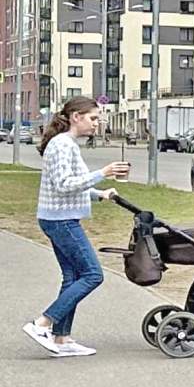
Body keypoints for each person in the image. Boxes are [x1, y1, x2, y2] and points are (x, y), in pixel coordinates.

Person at [24, 98, 127, 358]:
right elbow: (64, 185)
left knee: (72, 277)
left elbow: (70, 184)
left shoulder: (66, 143)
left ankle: (61, 338)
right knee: (93, 274)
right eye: (93, 118)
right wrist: (102, 172)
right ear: (76, 117)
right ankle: (42, 324)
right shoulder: (62, 144)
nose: (97, 123)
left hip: (58, 217)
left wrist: (99, 194)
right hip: (61, 221)